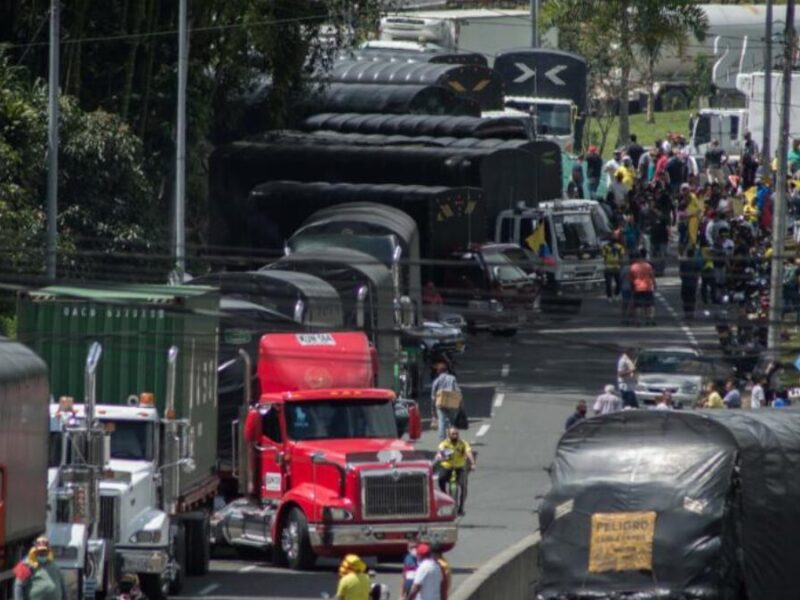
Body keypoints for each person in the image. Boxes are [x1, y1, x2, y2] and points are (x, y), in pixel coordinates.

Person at [435, 427, 475, 515]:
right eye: (453, 434)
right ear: (449, 435)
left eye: (457, 434)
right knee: (441, 479)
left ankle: (461, 507)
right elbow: (439, 453)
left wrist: (472, 463)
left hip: (460, 467)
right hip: (447, 467)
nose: (455, 435)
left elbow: (468, 452)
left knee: (463, 486)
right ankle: (445, 495)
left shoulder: (463, 443)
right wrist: (439, 456)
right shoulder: (444, 444)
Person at [431, 361, 461, 441]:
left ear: (438, 371)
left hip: (440, 403)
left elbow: (433, 397)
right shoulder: (452, 378)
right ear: (446, 370)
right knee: (452, 422)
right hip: (452, 402)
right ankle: (453, 438)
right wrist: (460, 403)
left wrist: (433, 412)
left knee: (442, 421)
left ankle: (442, 441)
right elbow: (458, 391)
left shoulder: (436, 381)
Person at [630, 248, 656, 326]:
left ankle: (638, 321)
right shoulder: (648, 266)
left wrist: (632, 287)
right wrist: (654, 284)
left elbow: (631, 279)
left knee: (638, 305)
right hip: (647, 287)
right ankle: (650, 320)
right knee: (650, 304)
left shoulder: (633, 267)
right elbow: (652, 276)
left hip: (637, 287)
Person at [679, 247, 701, 320]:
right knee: (692, 298)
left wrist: (683, 278)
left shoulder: (684, 262)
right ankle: (692, 313)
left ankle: (686, 313)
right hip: (693, 283)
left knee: (685, 298)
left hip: (685, 283)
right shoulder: (696, 262)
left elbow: (681, 273)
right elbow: (698, 272)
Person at [601, 236, 624, 302]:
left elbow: (621, 257)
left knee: (619, 283)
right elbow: (604, 256)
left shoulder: (619, 247)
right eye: (612, 241)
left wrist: (621, 265)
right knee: (608, 283)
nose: (613, 243)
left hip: (617, 267)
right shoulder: (605, 247)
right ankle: (609, 296)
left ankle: (616, 294)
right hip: (608, 267)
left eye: (614, 242)